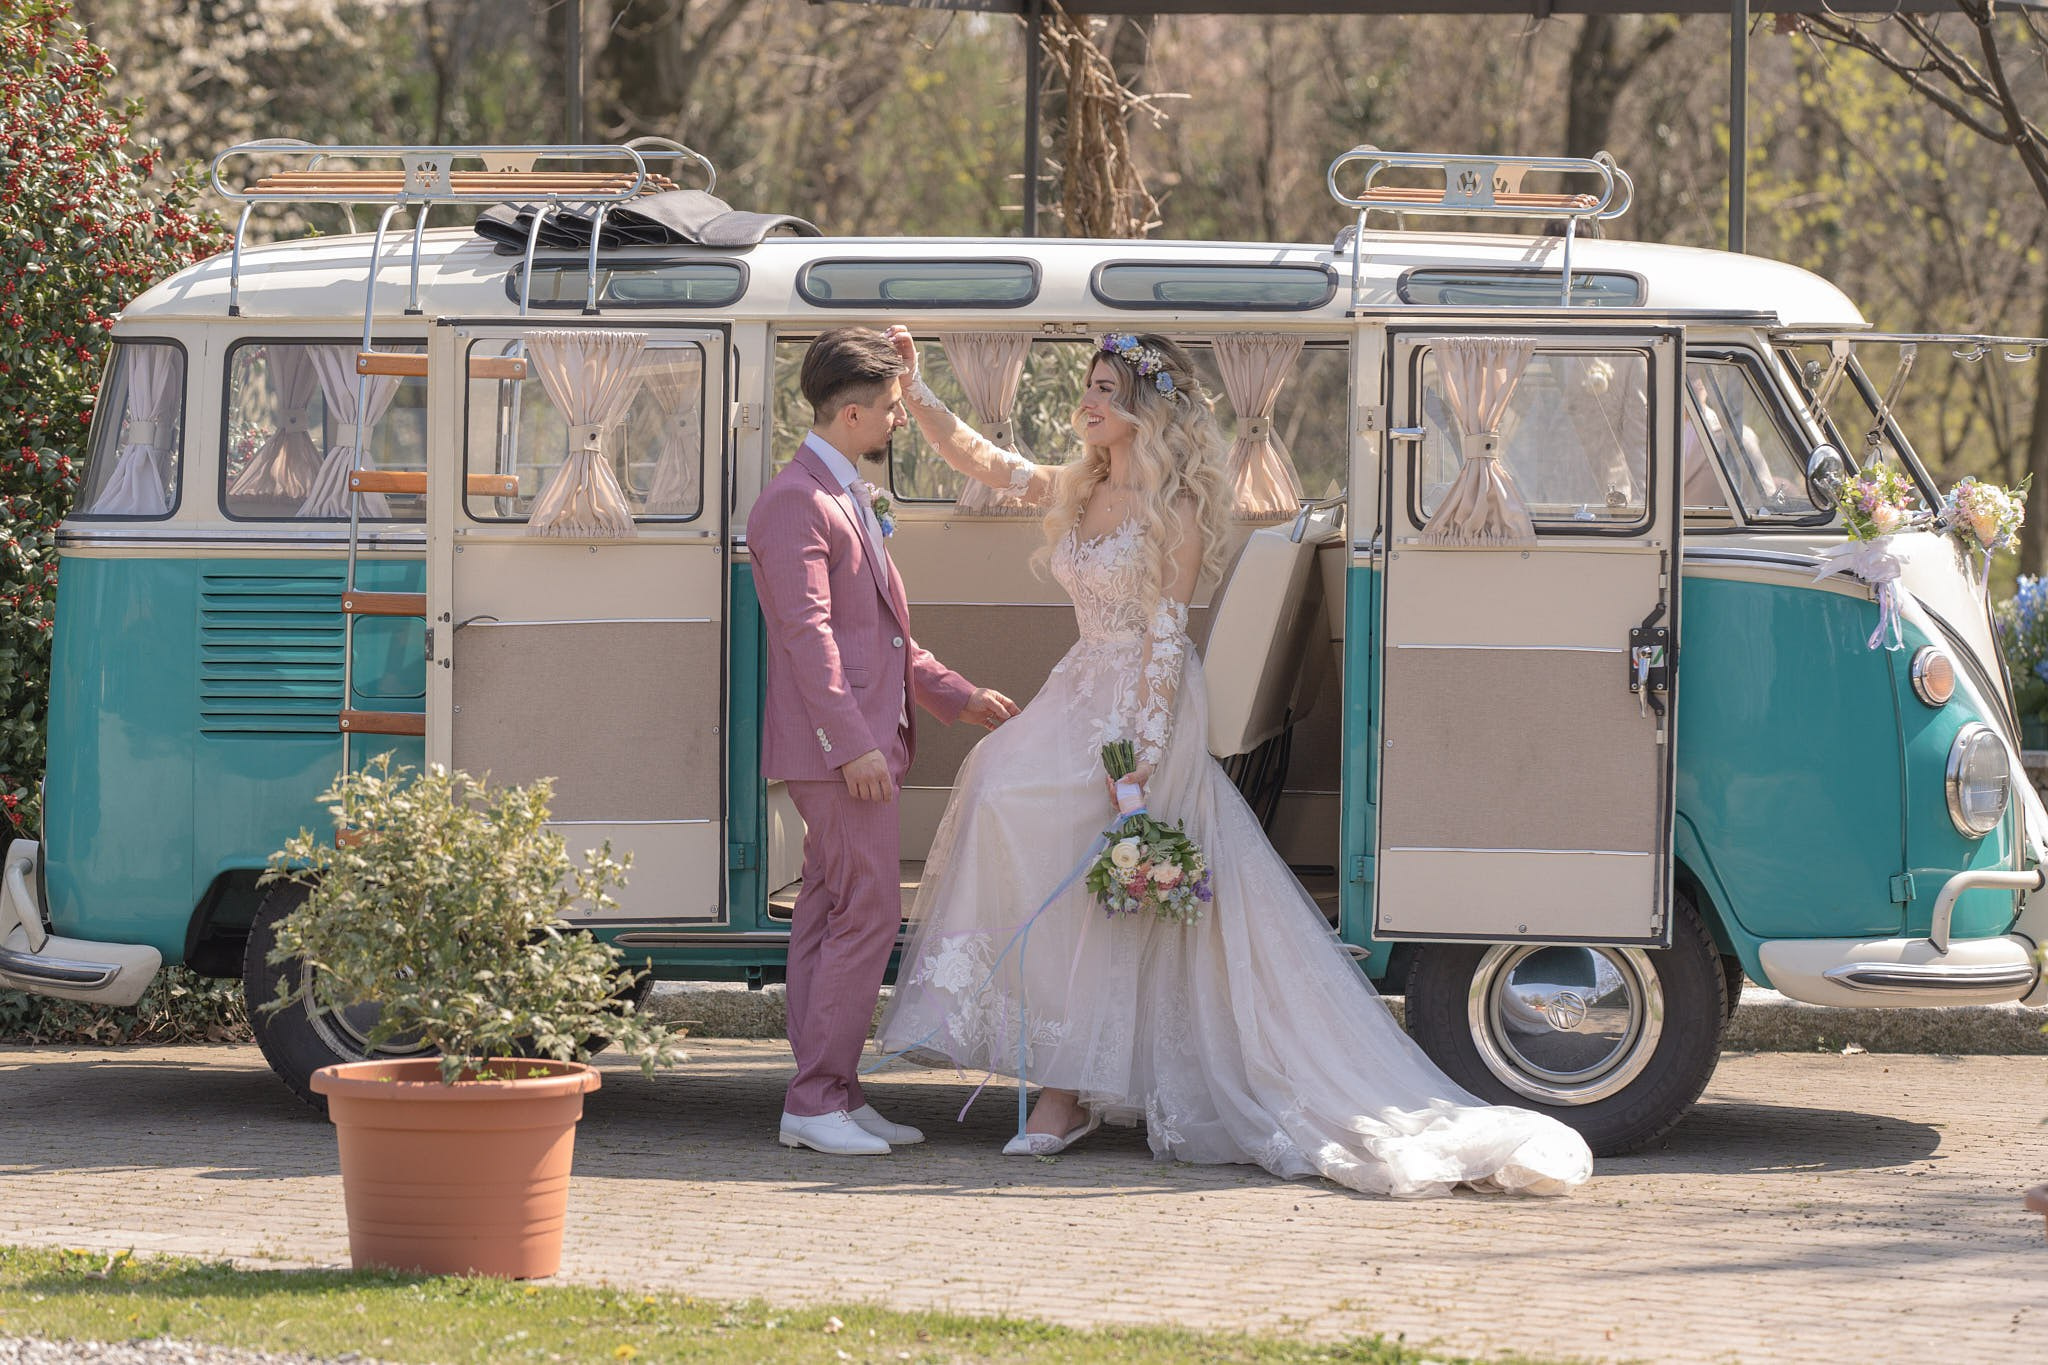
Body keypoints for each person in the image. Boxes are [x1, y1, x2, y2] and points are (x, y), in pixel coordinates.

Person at [871, 327, 1595, 1198]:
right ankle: (1059, 1068)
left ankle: (1066, 1091)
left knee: (1083, 849)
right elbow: (985, 461)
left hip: (1146, 694)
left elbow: (1168, 636)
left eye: (1105, 387)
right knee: (995, 783)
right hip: (1081, 686)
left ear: (1142, 407)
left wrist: (1134, 759)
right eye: (1089, 385)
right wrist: (914, 391)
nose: (1087, 400)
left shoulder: (1169, 507)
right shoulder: (1082, 483)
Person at [749, 326, 1019, 1157]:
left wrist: (959, 696)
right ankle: (815, 1096)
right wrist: (852, 742)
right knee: (865, 915)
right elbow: (809, 637)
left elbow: (885, 638)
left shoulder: (841, 494)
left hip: (855, 745)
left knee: (830, 915)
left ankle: (829, 1090)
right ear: (854, 412)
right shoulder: (797, 500)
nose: (901, 420)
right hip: (843, 757)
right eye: (896, 407)